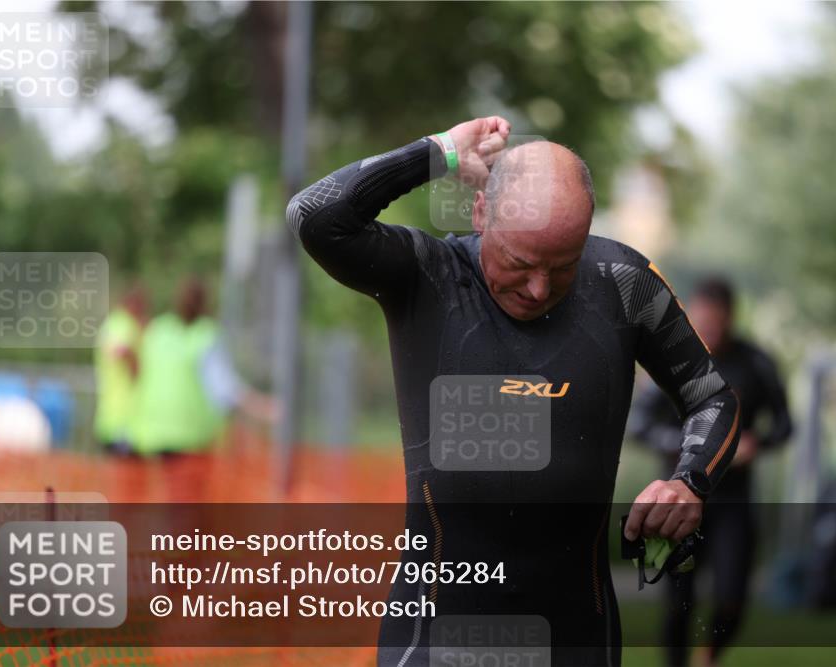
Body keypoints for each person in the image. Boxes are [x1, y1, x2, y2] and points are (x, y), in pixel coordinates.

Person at [287, 117, 741, 666]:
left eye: (563, 266)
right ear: (480, 214)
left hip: (576, 632)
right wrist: (439, 153)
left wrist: (689, 482)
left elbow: (712, 398)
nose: (538, 288)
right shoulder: (427, 276)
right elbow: (314, 216)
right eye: (520, 263)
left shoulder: (624, 283)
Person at [629, 277, 792, 667]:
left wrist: (756, 443)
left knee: (733, 598)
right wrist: (692, 447)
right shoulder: (671, 359)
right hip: (675, 502)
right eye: (702, 324)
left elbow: (785, 424)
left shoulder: (755, 362)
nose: (710, 333)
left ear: (731, 318)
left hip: (733, 501)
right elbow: (639, 425)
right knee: (677, 604)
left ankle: (708, 657)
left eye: (717, 325)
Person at [130, 277, 274, 456]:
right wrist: (266, 408)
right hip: (191, 437)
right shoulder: (206, 335)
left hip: (149, 434)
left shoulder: (158, 329)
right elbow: (226, 390)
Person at [94, 285, 147, 454]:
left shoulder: (110, 324)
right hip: (125, 419)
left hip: (108, 416)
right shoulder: (125, 324)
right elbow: (122, 351)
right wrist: (139, 367)